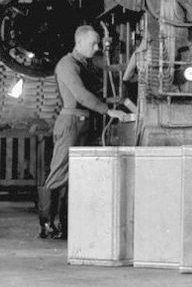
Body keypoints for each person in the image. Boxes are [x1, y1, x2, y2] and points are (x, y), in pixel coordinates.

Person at [37, 25, 135, 240]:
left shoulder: (85, 65)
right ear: (79, 43)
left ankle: (64, 225)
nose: (97, 47)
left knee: (77, 174)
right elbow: (81, 95)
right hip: (71, 122)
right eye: (93, 44)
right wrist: (108, 110)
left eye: (98, 43)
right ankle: (47, 225)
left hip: (83, 122)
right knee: (60, 172)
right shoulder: (66, 64)